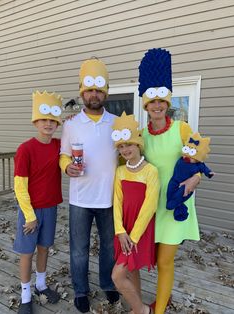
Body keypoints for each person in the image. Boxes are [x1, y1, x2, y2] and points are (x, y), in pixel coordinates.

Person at [138, 48, 202, 314]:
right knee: (149, 259)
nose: (157, 106)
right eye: (152, 101)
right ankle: (156, 299)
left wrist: (195, 178)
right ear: (145, 104)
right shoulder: (141, 135)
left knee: (165, 261)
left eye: (161, 100)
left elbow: (199, 161)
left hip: (175, 205)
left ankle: (160, 309)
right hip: (151, 206)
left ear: (168, 102)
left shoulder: (182, 129)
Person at [59, 57, 119, 313]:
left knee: (108, 247)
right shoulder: (71, 124)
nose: (94, 95)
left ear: (104, 92)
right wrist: (66, 166)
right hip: (80, 198)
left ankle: (107, 282)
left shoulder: (117, 122)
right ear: (82, 92)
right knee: (79, 249)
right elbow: (63, 154)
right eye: (89, 90)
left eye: (98, 90)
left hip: (109, 198)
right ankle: (81, 290)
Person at [13, 91, 63, 314]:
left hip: (50, 207)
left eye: (53, 120)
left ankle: (41, 285)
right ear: (36, 120)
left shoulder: (59, 146)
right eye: (44, 119)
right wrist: (30, 215)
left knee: (44, 248)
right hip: (30, 211)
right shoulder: (26, 149)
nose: (48, 124)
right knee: (27, 252)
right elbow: (20, 186)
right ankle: (25, 294)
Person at [111, 112, 160, 314]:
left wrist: (133, 236)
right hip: (124, 229)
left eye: (128, 144)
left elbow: (150, 205)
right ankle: (137, 306)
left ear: (138, 144)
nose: (125, 149)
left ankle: (142, 310)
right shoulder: (120, 172)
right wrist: (120, 231)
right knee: (131, 270)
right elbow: (117, 202)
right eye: (121, 147)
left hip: (139, 230)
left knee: (117, 276)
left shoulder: (151, 171)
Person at [166, 132, 214, 221]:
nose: (187, 156)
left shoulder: (198, 165)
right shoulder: (181, 159)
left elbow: (204, 169)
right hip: (174, 181)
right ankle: (178, 208)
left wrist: (205, 174)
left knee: (179, 197)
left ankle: (173, 207)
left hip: (185, 184)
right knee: (170, 194)